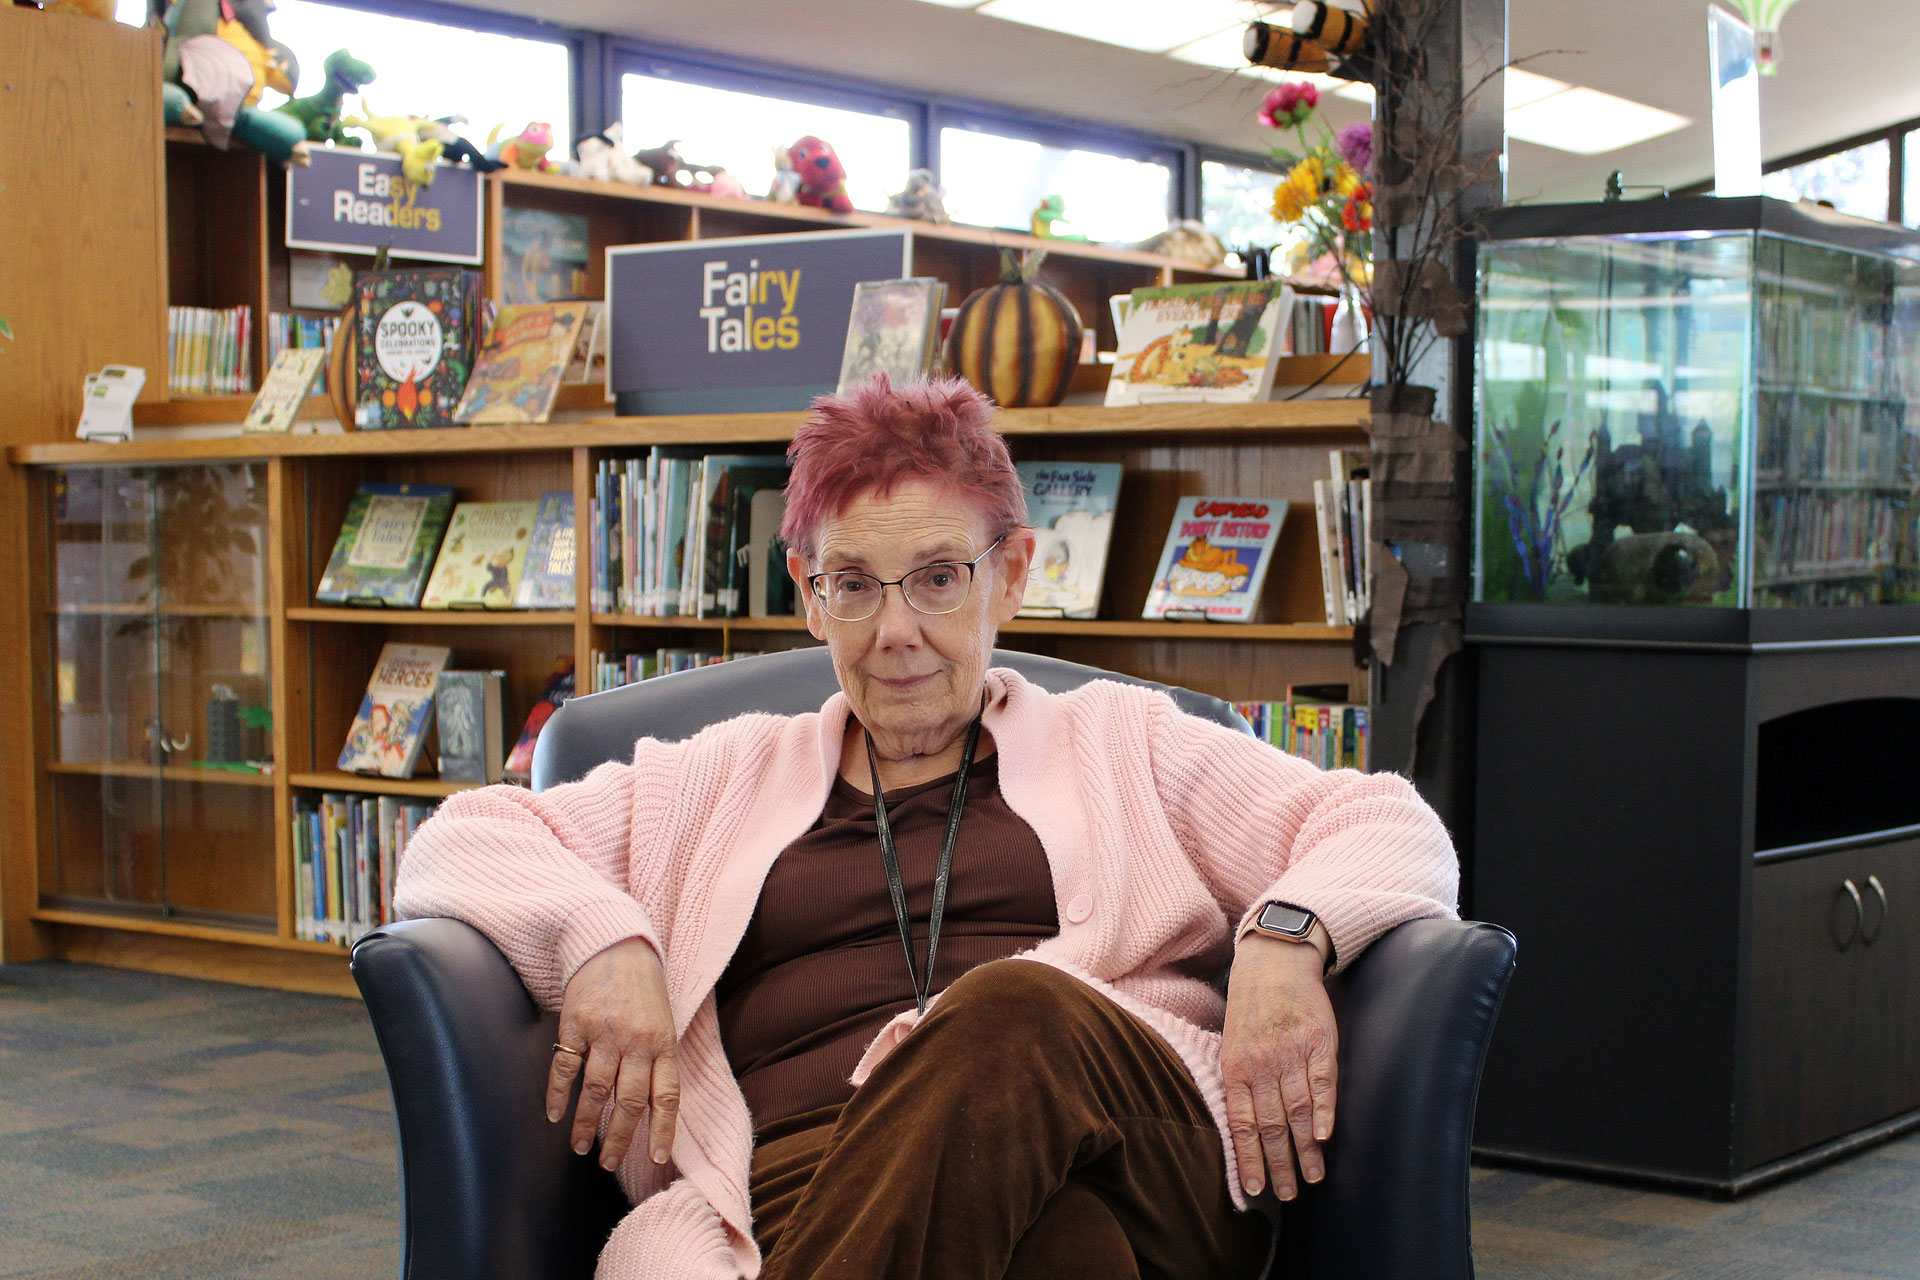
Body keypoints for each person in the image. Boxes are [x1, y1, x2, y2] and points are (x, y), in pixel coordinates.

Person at [392, 373, 1458, 1280]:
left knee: (1013, 1014)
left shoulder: (1124, 739)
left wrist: (1282, 932)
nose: (897, 631)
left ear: (1011, 573)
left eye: (939, 578)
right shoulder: (713, 777)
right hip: (802, 1197)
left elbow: (1384, 818)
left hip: (1138, 1148)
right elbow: (461, 838)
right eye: (853, 584)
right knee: (1060, 1249)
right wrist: (601, 936)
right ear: (809, 597)